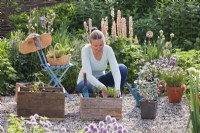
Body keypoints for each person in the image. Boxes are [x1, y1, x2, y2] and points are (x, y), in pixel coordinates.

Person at [77, 28, 128, 97]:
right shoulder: (85, 50)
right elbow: (88, 75)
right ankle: (98, 94)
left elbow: (115, 70)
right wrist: (102, 87)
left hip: (101, 80)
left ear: (104, 42)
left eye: (101, 45)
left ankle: (117, 96)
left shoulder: (108, 50)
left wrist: (117, 88)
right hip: (86, 81)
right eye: (95, 46)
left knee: (122, 68)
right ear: (90, 44)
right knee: (88, 86)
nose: (98, 48)